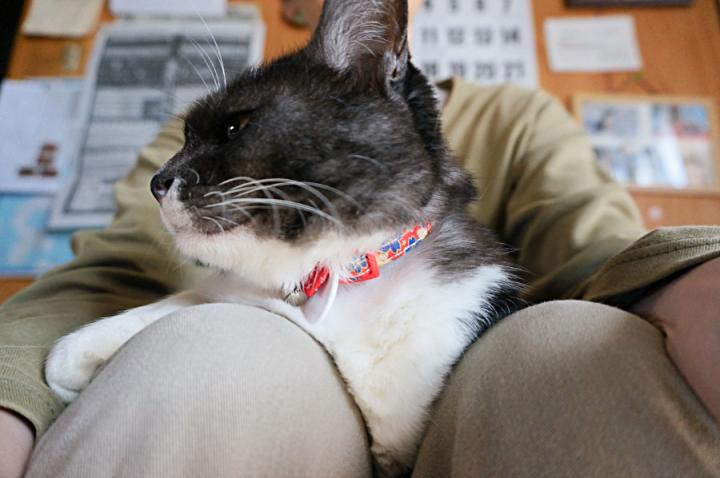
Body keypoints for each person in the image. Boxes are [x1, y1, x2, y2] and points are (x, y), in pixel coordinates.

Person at [2, 0, 720, 476]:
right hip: (265, 370)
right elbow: (110, 272)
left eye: (233, 130)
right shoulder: (217, 125)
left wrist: (687, 277)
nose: (173, 176)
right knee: (212, 356)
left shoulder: (517, 119)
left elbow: (596, 249)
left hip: (471, 387)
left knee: (568, 341)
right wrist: (9, 404)